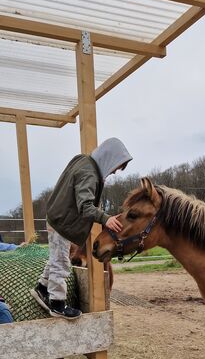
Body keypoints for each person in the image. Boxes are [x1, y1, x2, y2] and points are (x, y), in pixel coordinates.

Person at [31, 137, 132, 320]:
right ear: (109, 159)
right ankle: (57, 304)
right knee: (61, 263)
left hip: (58, 217)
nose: (115, 172)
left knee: (56, 257)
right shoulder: (90, 174)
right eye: (116, 167)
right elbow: (85, 206)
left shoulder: (82, 160)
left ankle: (42, 288)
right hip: (63, 222)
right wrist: (106, 219)